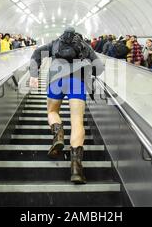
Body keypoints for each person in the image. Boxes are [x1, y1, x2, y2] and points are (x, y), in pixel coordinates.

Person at [29, 27, 104, 185]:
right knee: (77, 121)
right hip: (77, 81)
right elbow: (99, 68)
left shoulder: (55, 43)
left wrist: (34, 75)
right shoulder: (85, 46)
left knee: (52, 111)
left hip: (56, 80)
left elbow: (36, 54)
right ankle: (76, 170)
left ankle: (58, 133)